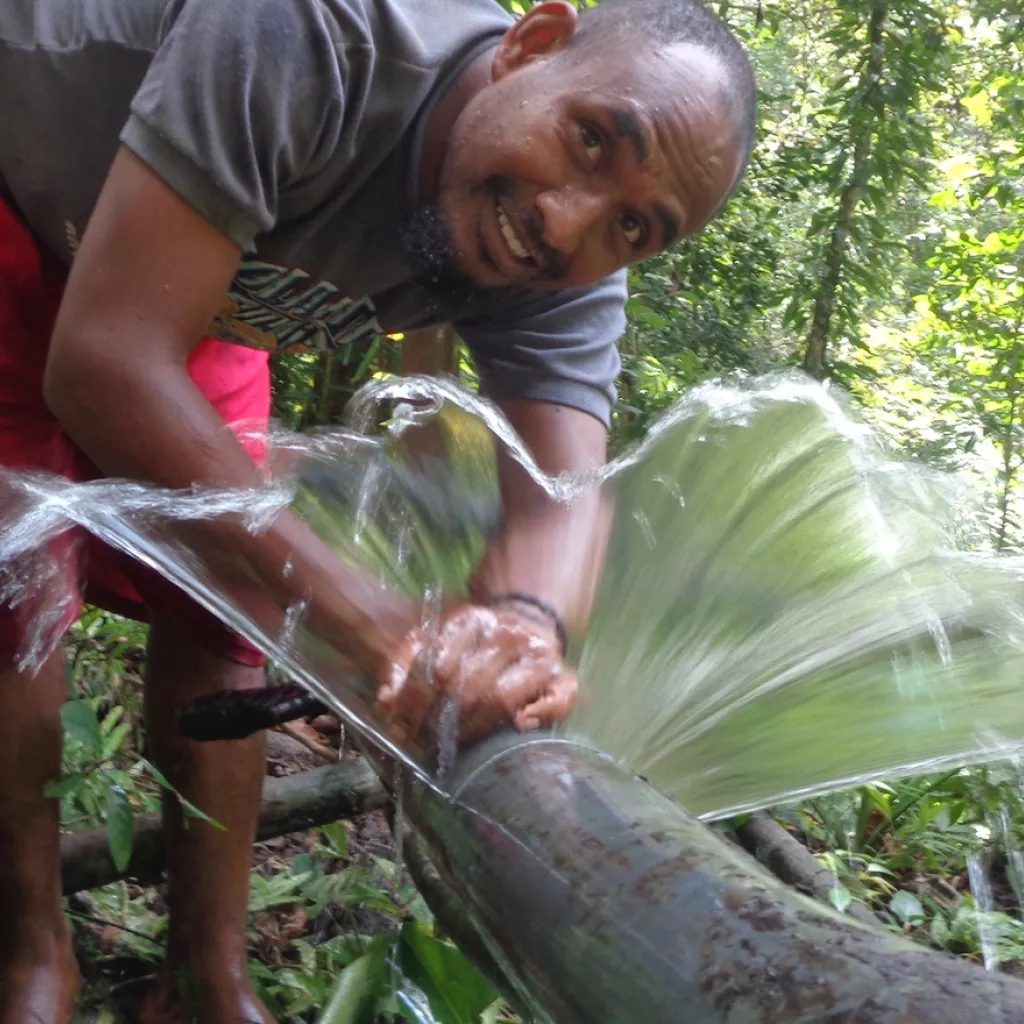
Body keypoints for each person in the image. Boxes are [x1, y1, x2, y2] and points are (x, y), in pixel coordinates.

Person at [0, 0, 756, 1018]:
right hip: (22, 202)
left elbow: (566, 492)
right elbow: (103, 363)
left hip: (195, 271)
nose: (567, 223)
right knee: (18, 585)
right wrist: (373, 622)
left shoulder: (572, 264)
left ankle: (204, 976)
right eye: (586, 140)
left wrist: (523, 627)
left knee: (236, 608)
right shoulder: (309, 32)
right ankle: (33, 950)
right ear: (528, 47)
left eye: (634, 226)